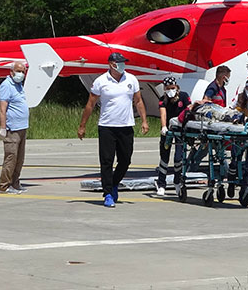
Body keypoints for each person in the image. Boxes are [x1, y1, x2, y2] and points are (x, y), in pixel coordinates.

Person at [77, 52, 149, 207]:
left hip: (126, 126)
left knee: (125, 159)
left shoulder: (131, 79)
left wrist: (144, 120)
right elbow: (90, 104)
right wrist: (83, 125)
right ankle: (108, 193)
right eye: (119, 63)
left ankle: (114, 182)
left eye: (124, 62)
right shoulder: (101, 81)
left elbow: (138, 101)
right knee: (107, 161)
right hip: (107, 126)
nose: (123, 65)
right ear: (111, 64)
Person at [155, 76, 191, 196]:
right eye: (168, 88)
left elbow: (189, 110)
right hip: (169, 129)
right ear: (164, 89)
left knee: (178, 158)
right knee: (164, 158)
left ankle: (177, 181)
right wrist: (164, 126)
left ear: (176, 87)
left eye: (172, 88)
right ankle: (161, 184)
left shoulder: (184, 96)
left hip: (180, 130)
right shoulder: (163, 99)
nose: (170, 90)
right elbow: (163, 113)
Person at [0, 61, 29, 194]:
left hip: (22, 127)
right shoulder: (6, 86)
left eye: (23, 71)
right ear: (11, 72)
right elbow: (2, 109)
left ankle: (15, 183)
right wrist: (3, 127)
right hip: (12, 129)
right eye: (18, 71)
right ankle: (4, 186)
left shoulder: (19, 86)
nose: (21, 74)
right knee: (11, 157)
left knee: (19, 158)